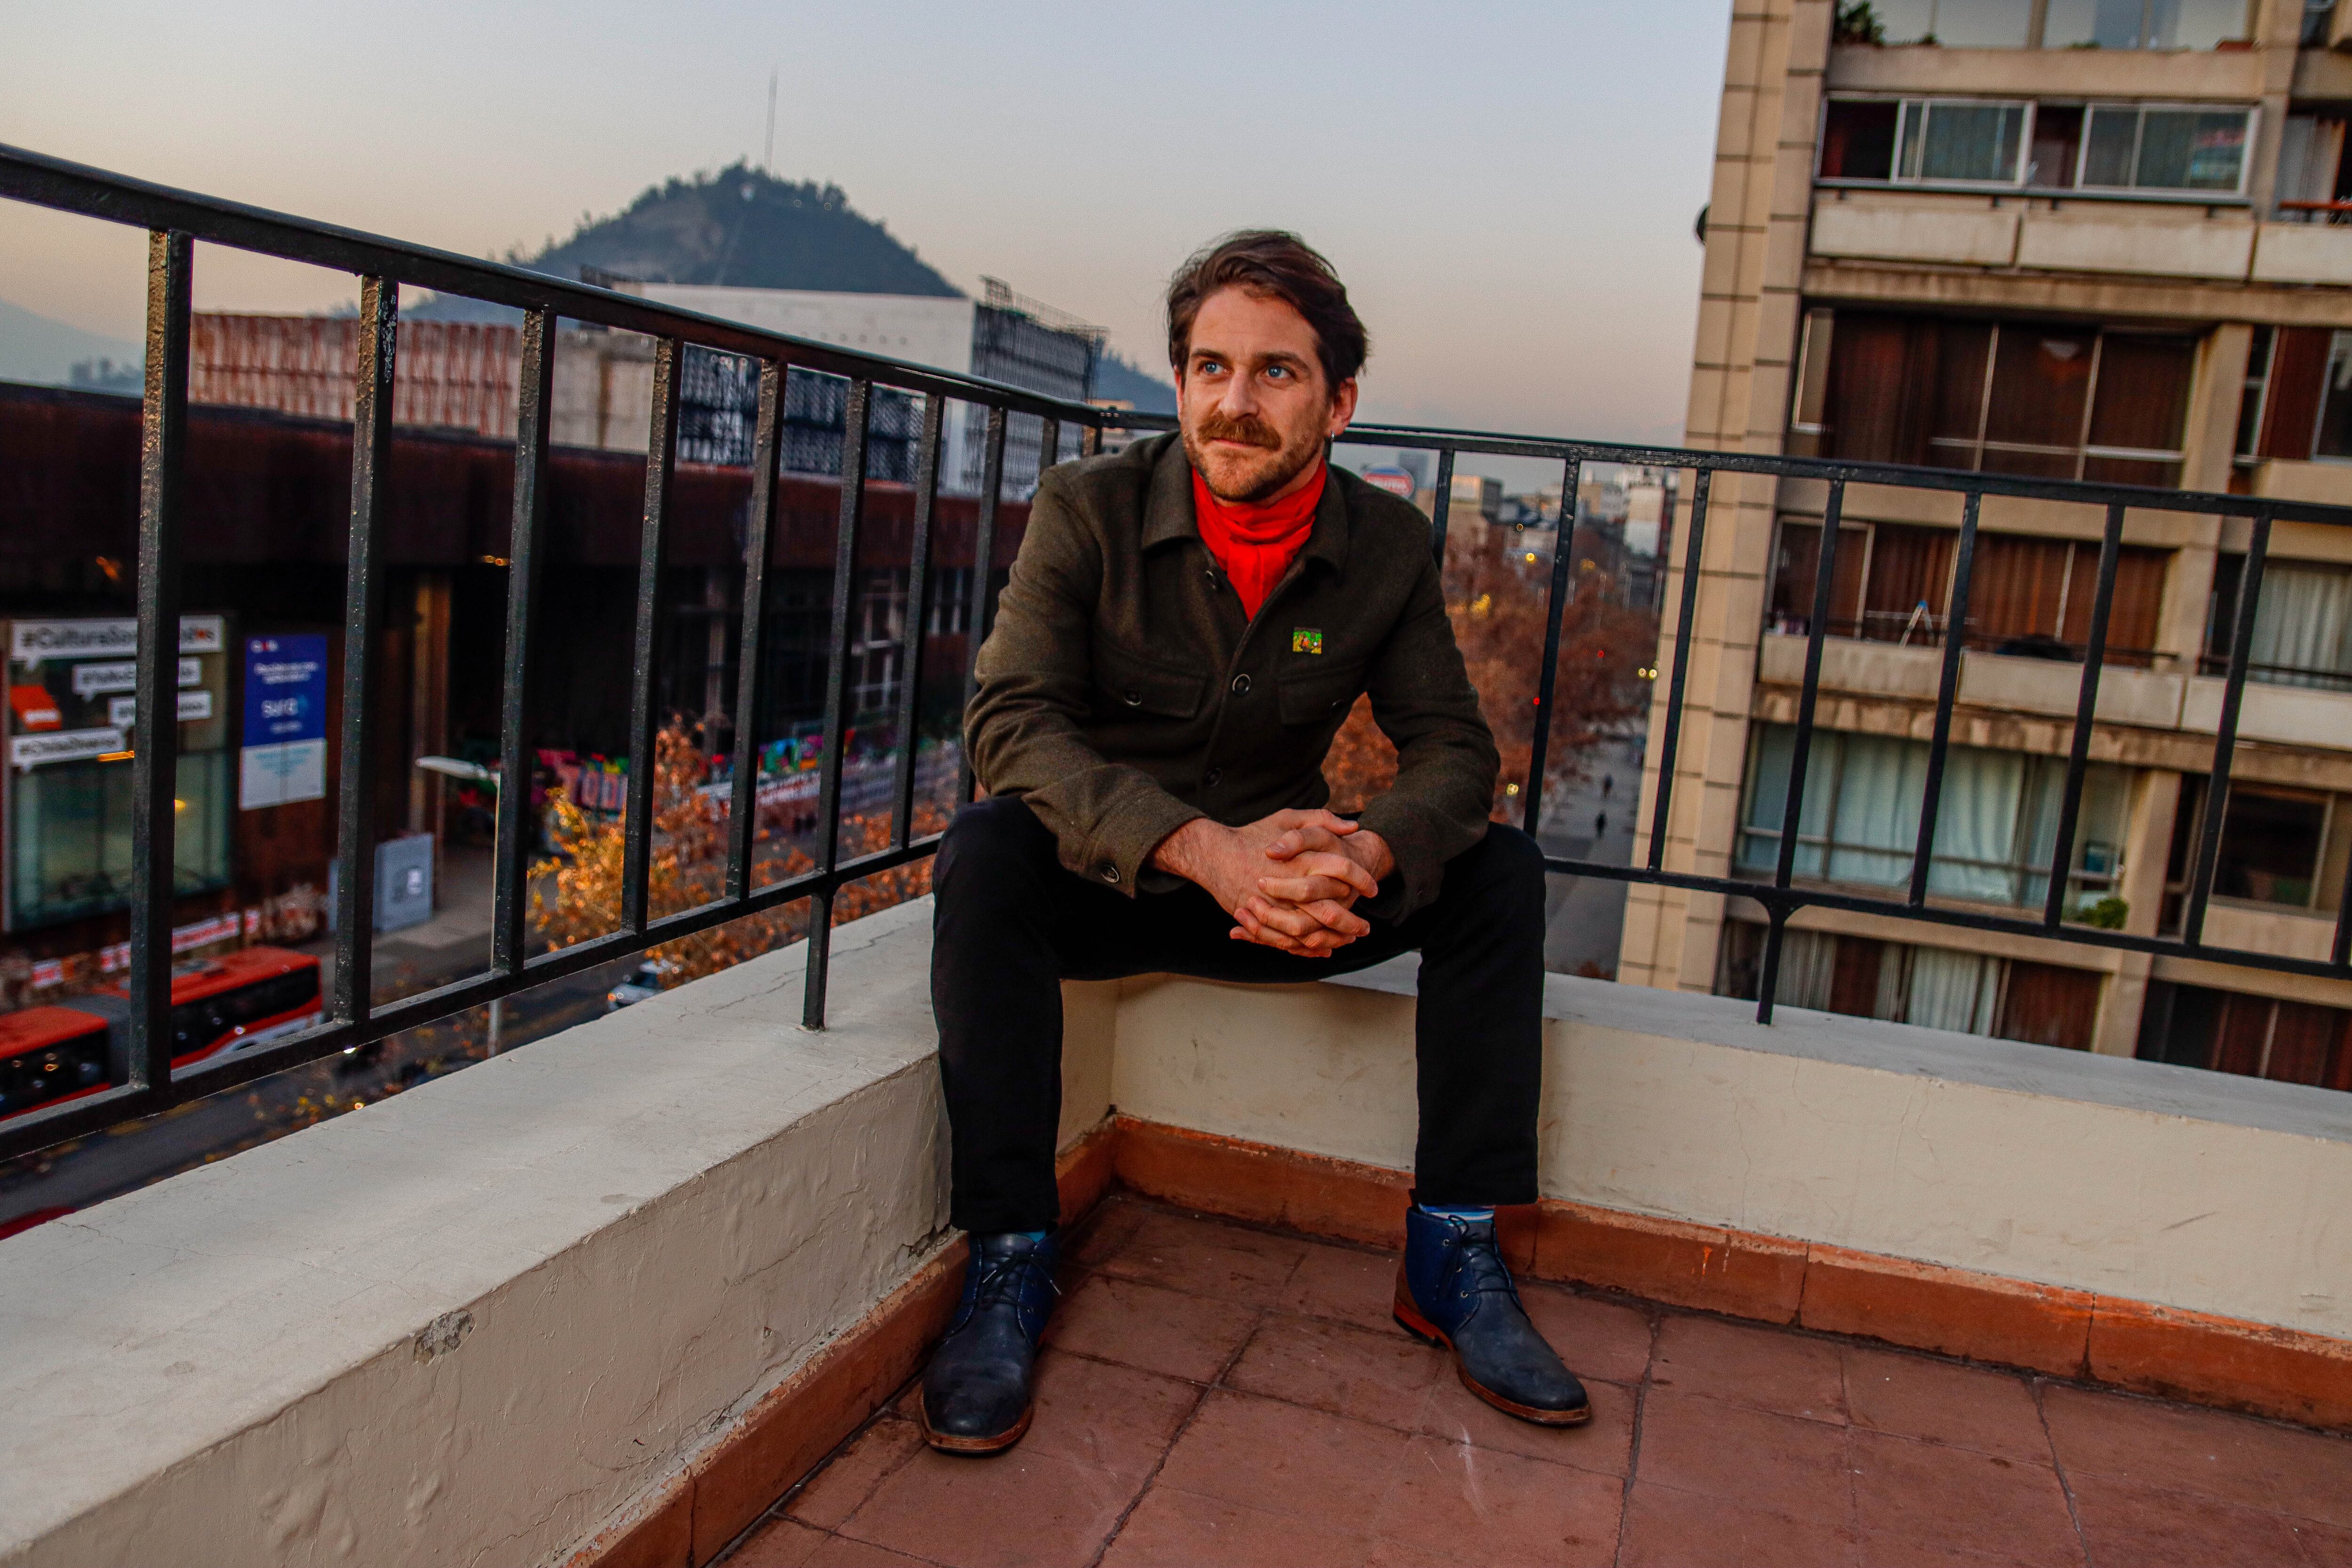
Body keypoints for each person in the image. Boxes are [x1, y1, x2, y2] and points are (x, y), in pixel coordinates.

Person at [920, 231, 1589, 1455]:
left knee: (1501, 874)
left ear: (1339, 402)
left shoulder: (1387, 544)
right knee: (984, 850)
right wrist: (1200, 849)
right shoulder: (1086, 508)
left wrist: (1363, 859)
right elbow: (1010, 722)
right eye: (1209, 367)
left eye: (1276, 372)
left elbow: (1453, 751)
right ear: (1179, 382)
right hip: (1116, 883)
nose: (1234, 402)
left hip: (1286, 907)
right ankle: (1008, 1260)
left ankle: (1453, 1253)